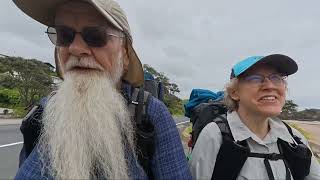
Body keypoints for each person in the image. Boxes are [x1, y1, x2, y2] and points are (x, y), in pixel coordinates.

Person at [13, 0, 191, 179]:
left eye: (96, 36)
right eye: (64, 35)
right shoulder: (42, 113)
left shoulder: (152, 114)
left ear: (125, 54)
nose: (75, 48)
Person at [189, 54, 320, 179]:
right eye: (255, 78)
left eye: (276, 78)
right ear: (234, 92)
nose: (270, 86)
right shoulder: (215, 135)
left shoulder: (294, 138)